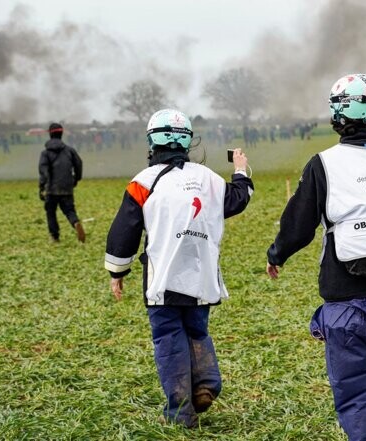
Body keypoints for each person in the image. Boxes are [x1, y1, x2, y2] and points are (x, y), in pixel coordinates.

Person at [266, 73, 366, 441]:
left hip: (347, 295)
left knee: (356, 390)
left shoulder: (324, 163)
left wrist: (277, 254)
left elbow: (299, 224)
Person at [104, 109, 253, 428]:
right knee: (197, 330)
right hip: (202, 279)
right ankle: (207, 384)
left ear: (151, 142)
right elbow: (238, 199)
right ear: (187, 141)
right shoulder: (209, 179)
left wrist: (118, 272)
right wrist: (240, 170)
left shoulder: (143, 182)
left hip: (163, 281)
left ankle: (180, 411)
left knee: (169, 338)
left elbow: (124, 231)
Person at [38, 123, 85, 243]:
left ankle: (54, 236)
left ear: (50, 134)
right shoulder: (69, 150)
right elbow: (78, 164)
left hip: (51, 188)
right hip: (66, 187)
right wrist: (76, 179)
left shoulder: (45, 153)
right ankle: (75, 223)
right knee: (69, 210)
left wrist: (42, 186)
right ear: (61, 134)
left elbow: (43, 170)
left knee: (51, 212)